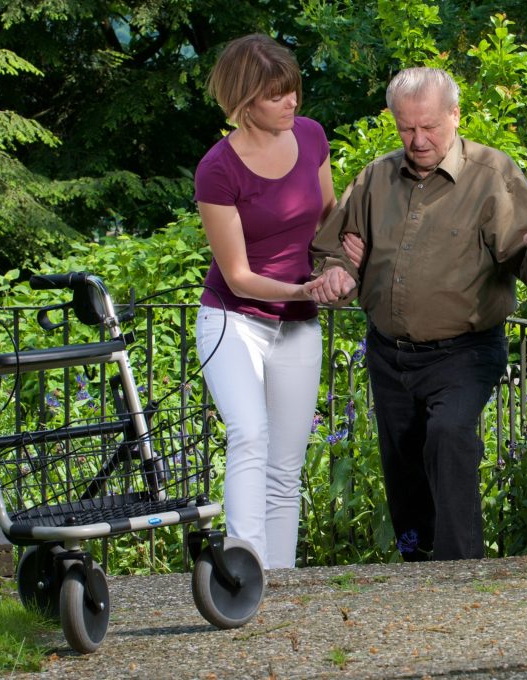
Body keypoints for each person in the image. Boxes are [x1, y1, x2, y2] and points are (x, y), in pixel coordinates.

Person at [309, 67, 527, 561]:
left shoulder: (493, 175)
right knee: (403, 465)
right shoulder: (377, 176)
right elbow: (334, 248)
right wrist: (336, 270)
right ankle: (416, 567)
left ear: (455, 116)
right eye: (406, 128)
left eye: (429, 127)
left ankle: (460, 568)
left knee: (450, 436)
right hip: (389, 354)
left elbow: (526, 259)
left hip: (465, 352)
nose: (418, 140)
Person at [193, 34, 336, 569]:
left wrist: (340, 265)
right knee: (249, 434)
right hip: (234, 319)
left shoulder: (312, 137)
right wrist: (301, 288)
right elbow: (238, 275)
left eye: (293, 91)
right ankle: (243, 574)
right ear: (244, 100)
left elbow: (327, 219)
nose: (292, 102)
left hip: (298, 324)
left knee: (285, 464)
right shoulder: (218, 169)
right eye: (277, 95)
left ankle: (280, 581)